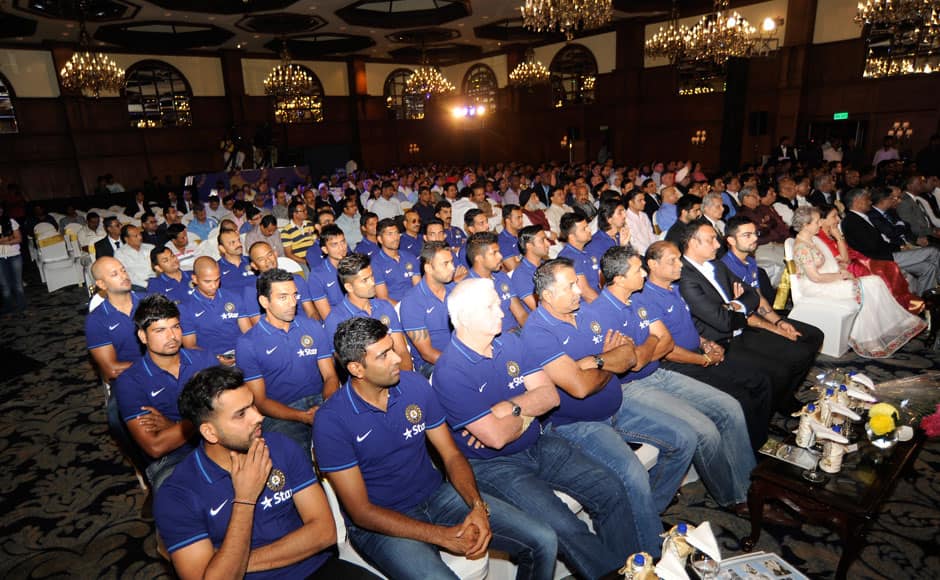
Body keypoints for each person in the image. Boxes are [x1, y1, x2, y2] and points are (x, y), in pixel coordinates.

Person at [313, 317, 559, 579]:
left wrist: (477, 506)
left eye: (393, 348)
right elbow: (361, 512)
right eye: (384, 355)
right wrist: (442, 536)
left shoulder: (414, 386)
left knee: (543, 539)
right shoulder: (331, 421)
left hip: (436, 496)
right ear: (356, 368)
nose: (397, 358)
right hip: (380, 522)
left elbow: (451, 455)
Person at [434, 278, 644, 573]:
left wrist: (511, 408)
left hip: (538, 443)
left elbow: (550, 396)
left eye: (498, 302)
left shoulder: (509, 342)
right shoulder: (450, 371)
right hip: (495, 465)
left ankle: (635, 569)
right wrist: (528, 408)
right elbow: (495, 439)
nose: (501, 310)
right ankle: (613, 573)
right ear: (465, 317)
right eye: (491, 306)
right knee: (563, 527)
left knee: (610, 488)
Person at [520, 258, 689, 542]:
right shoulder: (538, 332)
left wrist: (594, 362)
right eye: (570, 285)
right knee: (632, 473)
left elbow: (631, 356)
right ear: (547, 295)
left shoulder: (587, 313)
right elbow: (580, 388)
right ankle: (651, 555)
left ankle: (646, 513)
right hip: (578, 423)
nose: (579, 289)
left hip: (617, 404)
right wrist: (611, 361)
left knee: (683, 439)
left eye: (577, 282)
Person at [155, 365, 378, 580]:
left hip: (316, 568)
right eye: (241, 414)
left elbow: (324, 531)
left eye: (252, 405)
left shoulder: (281, 446)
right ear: (209, 432)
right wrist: (245, 499)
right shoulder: (177, 494)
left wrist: (236, 561)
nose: (258, 416)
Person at [583, 247, 756, 512]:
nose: (643, 273)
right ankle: (732, 498)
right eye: (637, 270)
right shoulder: (599, 313)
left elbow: (664, 343)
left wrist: (644, 347)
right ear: (618, 278)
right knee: (704, 430)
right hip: (632, 388)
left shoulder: (638, 299)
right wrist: (649, 346)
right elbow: (635, 363)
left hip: (658, 373)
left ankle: (749, 486)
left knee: (729, 407)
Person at [639, 241, 773, 450]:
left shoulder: (674, 288)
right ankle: (746, 451)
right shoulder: (645, 298)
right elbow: (666, 350)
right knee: (740, 397)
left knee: (761, 381)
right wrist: (705, 359)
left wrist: (706, 343)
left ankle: (760, 442)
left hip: (699, 352)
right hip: (679, 365)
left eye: (679, 259)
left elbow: (686, 326)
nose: (680, 265)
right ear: (652, 265)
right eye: (672, 261)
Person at [678, 221, 822, 411]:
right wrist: (738, 307)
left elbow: (752, 295)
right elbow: (722, 322)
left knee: (800, 353)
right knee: (780, 369)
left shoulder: (716, 266)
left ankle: (782, 402)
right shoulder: (685, 277)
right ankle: (774, 409)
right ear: (693, 243)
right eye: (711, 239)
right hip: (721, 342)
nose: (718, 244)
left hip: (741, 327)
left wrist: (734, 304)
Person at [791, 206, 925, 358]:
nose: (820, 224)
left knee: (875, 282)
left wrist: (840, 271)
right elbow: (815, 277)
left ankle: (888, 326)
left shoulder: (812, 239)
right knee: (868, 286)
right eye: (816, 222)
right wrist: (839, 276)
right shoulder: (802, 247)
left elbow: (831, 263)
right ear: (805, 225)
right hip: (817, 286)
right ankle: (868, 340)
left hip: (828, 279)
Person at [113, 294, 215, 489]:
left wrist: (174, 425)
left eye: (175, 327)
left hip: (219, 440)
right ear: (143, 336)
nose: (172, 336)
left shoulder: (205, 359)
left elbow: (234, 408)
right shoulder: (130, 381)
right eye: (160, 330)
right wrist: (207, 415)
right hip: (173, 457)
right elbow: (156, 446)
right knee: (179, 494)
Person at [236, 269, 340, 449]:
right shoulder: (248, 343)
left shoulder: (312, 326)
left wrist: (326, 406)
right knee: (297, 460)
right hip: (281, 412)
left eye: (294, 295)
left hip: (322, 399)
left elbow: (330, 376)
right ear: (264, 301)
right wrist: (302, 416)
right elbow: (260, 401)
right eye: (283, 297)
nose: (292, 303)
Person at [816, 204, 921, 311]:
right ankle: (895, 307)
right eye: (834, 216)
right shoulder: (822, 238)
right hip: (846, 268)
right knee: (882, 272)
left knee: (890, 266)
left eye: (838, 216)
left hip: (856, 260)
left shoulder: (831, 233)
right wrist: (839, 237)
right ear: (822, 220)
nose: (838, 219)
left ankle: (901, 306)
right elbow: (845, 259)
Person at [842, 187, 940, 296]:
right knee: (933, 251)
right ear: (858, 202)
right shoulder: (852, 221)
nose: (870, 202)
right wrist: (898, 248)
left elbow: (882, 240)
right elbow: (872, 246)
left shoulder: (862, 217)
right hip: (879, 260)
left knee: (928, 268)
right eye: (867, 199)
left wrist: (897, 247)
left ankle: (925, 301)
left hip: (887, 253)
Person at [323, 253, 413, 371]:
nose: (372, 283)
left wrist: (406, 377)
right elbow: (345, 367)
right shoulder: (336, 320)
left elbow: (401, 350)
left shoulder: (384, 307)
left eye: (372, 277)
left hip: (395, 370)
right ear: (349, 287)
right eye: (365, 280)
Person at [180, 257, 251, 364]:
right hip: (210, 361)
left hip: (242, 354)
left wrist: (247, 352)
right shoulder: (185, 308)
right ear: (195, 279)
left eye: (217, 279)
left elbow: (248, 332)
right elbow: (190, 346)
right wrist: (216, 359)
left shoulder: (234, 297)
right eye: (207, 281)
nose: (214, 286)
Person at [399, 241, 455, 378]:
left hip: (461, 355)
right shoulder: (412, 301)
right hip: (431, 365)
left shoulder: (456, 289)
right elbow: (427, 353)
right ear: (428, 268)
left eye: (452, 262)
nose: (453, 268)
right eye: (445, 264)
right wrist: (461, 364)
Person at [85, 257, 143, 380]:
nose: (124, 276)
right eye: (114, 274)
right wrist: (156, 366)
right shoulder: (96, 320)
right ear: (101, 284)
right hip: (132, 379)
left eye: (123, 270)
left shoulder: (149, 301)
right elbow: (112, 370)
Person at [465, 232, 527, 333]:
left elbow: (520, 314)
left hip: (517, 333)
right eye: (494, 253)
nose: (500, 256)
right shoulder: (468, 288)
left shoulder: (500, 276)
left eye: (499, 251)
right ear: (479, 258)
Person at [244, 241, 316, 322]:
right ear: (254, 265)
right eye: (261, 259)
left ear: (275, 254)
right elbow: (258, 324)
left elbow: (311, 312)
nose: (268, 261)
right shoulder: (252, 291)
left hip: (304, 328)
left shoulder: (297, 279)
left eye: (270, 255)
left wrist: (313, 328)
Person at [372, 218, 420, 305]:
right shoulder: (375, 264)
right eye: (390, 234)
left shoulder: (410, 257)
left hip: (416, 304)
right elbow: (383, 298)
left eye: (397, 233)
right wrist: (404, 310)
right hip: (394, 309)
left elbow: (418, 288)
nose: (395, 237)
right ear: (380, 239)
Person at [557, 211, 601, 303]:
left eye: (588, 226)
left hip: (598, 297)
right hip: (585, 307)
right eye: (584, 229)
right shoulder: (568, 258)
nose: (589, 230)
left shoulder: (586, 251)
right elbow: (585, 293)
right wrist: (607, 306)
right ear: (572, 237)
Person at [510, 225, 552, 312]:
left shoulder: (547, 265)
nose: (548, 244)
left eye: (546, 240)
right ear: (529, 246)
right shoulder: (521, 275)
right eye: (542, 240)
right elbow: (539, 309)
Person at [587, 197, 631, 268]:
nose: (625, 216)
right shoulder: (595, 243)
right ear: (608, 219)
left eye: (624, 212)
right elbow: (610, 270)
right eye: (620, 213)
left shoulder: (620, 235)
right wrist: (622, 247)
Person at [0, 205, 26, 315]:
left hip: (14, 255)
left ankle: (22, 306)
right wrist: (9, 238)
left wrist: (2, 240)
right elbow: (13, 238)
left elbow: (19, 238)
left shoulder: (11, 221)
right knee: (4, 284)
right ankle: (9, 306)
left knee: (18, 283)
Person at [281, 201, 317, 269]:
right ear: (295, 214)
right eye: (303, 211)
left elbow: (316, 242)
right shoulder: (286, 231)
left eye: (305, 210)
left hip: (315, 257)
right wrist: (306, 262)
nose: (306, 212)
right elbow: (289, 254)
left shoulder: (310, 224)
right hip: (301, 261)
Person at [498, 204, 524, 272]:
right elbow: (513, 268)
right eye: (518, 218)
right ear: (508, 220)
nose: (521, 221)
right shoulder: (502, 241)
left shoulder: (523, 234)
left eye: (521, 217)